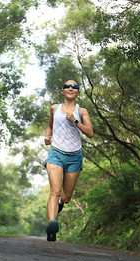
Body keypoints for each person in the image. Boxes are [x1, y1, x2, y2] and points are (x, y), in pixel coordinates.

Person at [43, 79, 94, 241]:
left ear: (78, 92)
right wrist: (47, 136)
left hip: (74, 156)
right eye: (67, 86)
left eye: (74, 87)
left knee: (65, 197)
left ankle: (60, 203)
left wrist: (75, 121)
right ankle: (52, 225)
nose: (71, 88)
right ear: (63, 91)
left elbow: (90, 133)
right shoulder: (54, 108)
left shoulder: (82, 111)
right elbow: (50, 125)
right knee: (54, 191)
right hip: (56, 153)